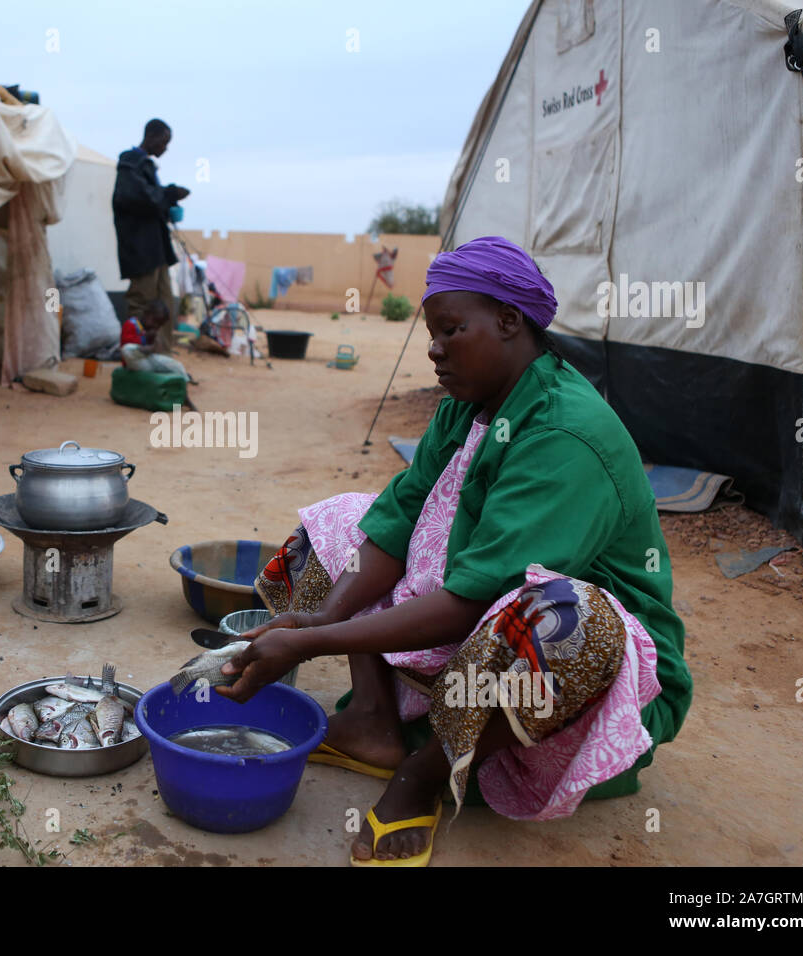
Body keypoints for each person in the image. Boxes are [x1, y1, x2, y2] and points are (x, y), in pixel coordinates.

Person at [216, 236, 693, 866]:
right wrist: (322, 617)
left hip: (572, 667)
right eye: (431, 333)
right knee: (333, 529)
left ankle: (426, 770)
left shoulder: (566, 433)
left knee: (567, 621)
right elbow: (394, 524)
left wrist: (307, 643)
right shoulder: (467, 407)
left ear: (507, 320)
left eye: (450, 330)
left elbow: (475, 599)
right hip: (479, 619)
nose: (435, 349)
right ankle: (373, 719)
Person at [113, 119, 189, 352]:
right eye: (164, 142)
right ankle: (134, 356)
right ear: (153, 137)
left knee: (163, 305)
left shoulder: (145, 167)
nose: (165, 148)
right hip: (141, 249)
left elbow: (153, 200)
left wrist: (168, 201)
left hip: (157, 250)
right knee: (141, 303)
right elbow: (140, 198)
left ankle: (161, 356)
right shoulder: (130, 162)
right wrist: (169, 193)